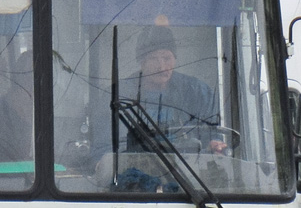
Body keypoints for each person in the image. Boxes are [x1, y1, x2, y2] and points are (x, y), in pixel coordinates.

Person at [94, 24, 227, 159]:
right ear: (142, 62)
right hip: (132, 169)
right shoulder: (118, 95)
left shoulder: (198, 92)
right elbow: (104, 148)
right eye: (153, 59)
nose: (161, 66)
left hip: (188, 170)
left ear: (174, 60)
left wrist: (214, 145)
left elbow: (212, 135)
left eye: (166, 58)